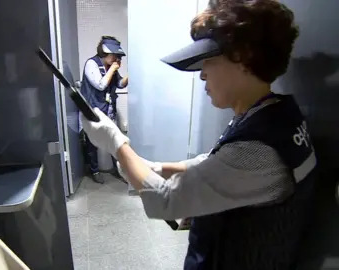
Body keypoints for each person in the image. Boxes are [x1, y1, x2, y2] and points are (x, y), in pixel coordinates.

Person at [80, 0, 316, 269]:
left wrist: (116, 143)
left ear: (244, 57)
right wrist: (154, 166)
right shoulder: (275, 115)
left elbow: (164, 200)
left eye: (209, 61)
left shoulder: (258, 147)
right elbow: (218, 162)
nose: (202, 74)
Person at [80, 36, 129, 184]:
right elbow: (100, 85)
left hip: (108, 109)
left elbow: (120, 84)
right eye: (115, 55)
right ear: (106, 52)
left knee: (115, 140)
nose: (116, 59)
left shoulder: (111, 67)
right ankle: (95, 170)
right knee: (92, 142)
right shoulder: (91, 64)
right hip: (93, 109)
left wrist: (130, 74)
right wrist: (113, 68)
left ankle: (119, 170)